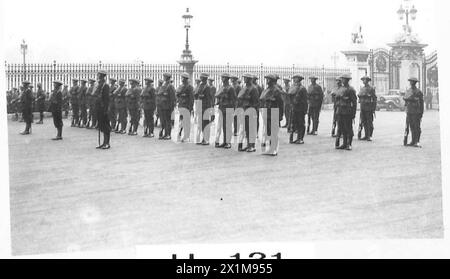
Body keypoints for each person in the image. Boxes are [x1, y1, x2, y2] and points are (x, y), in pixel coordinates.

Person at [259, 74, 283, 156]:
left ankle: (274, 149)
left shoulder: (276, 90)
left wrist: (280, 115)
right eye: (266, 79)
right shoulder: (266, 90)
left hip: (274, 111)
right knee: (268, 131)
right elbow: (262, 99)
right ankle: (270, 148)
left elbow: (281, 103)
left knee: (274, 132)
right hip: (267, 112)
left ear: (272, 81)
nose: (267, 81)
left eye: (268, 79)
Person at [236, 73, 259, 152]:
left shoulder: (254, 88)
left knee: (251, 128)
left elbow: (256, 102)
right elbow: (239, 97)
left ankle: (252, 146)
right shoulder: (245, 87)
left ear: (249, 79)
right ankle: (248, 145)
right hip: (244, 109)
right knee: (247, 129)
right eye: (244, 78)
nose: (244, 79)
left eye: (246, 78)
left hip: (251, 110)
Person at [335, 74, 357, 150]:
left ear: (347, 80)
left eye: (344, 79)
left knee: (348, 128)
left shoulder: (350, 89)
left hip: (347, 111)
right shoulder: (340, 88)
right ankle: (344, 143)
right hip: (340, 110)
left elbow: (354, 102)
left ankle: (349, 144)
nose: (342, 80)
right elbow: (336, 99)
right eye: (342, 79)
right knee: (342, 127)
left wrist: (353, 113)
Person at [215, 73, 236, 149]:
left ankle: (228, 142)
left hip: (228, 109)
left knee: (228, 126)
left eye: (223, 77)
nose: (222, 78)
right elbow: (217, 95)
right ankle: (224, 141)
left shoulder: (231, 88)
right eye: (222, 77)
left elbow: (233, 100)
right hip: (222, 108)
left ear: (227, 79)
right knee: (223, 126)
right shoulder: (222, 87)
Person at [403, 77, 424, 148]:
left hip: (416, 112)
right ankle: (413, 140)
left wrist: (421, 113)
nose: (411, 83)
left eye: (412, 82)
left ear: (415, 83)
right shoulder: (408, 90)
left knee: (417, 127)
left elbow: (421, 103)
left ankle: (417, 141)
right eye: (410, 82)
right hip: (409, 111)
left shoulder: (418, 91)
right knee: (411, 126)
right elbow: (405, 99)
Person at [288, 74, 308, 144]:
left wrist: (305, 109)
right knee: (293, 123)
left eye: (295, 78)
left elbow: (305, 100)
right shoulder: (292, 87)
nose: (294, 79)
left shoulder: (302, 88)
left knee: (301, 123)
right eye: (294, 78)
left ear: (299, 79)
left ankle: (300, 138)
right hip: (294, 107)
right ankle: (292, 137)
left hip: (300, 108)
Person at [194, 73, 213, 145]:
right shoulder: (200, 85)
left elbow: (209, 98)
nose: (200, 78)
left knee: (205, 124)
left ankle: (206, 139)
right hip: (200, 106)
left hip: (205, 107)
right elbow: (195, 93)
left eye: (201, 77)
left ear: (204, 78)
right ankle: (203, 138)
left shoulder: (207, 87)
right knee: (201, 124)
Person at [94, 70, 111, 149]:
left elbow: (106, 99)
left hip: (103, 108)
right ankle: (104, 142)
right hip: (98, 107)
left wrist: (105, 109)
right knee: (101, 125)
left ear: (102, 76)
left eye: (99, 75)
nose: (98, 76)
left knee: (105, 126)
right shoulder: (99, 85)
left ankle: (107, 143)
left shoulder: (105, 85)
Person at [156, 73, 176, 140]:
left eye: (165, 77)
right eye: (164, 76)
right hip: (162, 106)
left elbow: (173, 98)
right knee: (163, 120)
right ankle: (164, 133)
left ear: (168, 77)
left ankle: (168, 134)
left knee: (168, 121)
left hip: (167, 107)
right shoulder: (164, 85)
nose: (164, 78)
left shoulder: (170, 86)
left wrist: (171, 107)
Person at [357, 76, 377, 141]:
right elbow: (359, 97)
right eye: (363, 80)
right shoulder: (362, 88)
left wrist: (373, 108)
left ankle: (369, 135)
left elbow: (374, 99)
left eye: (364, 80)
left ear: (368, 81)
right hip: (363, 107)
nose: (363, 81)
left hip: (369, 107)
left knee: (369, 122)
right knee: (363, 121)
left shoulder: (371, 89)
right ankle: (365, 135)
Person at [176, 73, 194, 142]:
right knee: (181, 121)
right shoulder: (180, 86)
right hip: (181, 106)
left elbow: (191, 98)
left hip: (187, 106)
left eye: (183, 78)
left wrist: (190, 108)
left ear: (186, 79)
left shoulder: (190, 87)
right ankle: (180, 133)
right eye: (182, 77)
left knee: (186, 122)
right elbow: (177, 94)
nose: (182, 79)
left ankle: (187, 136)